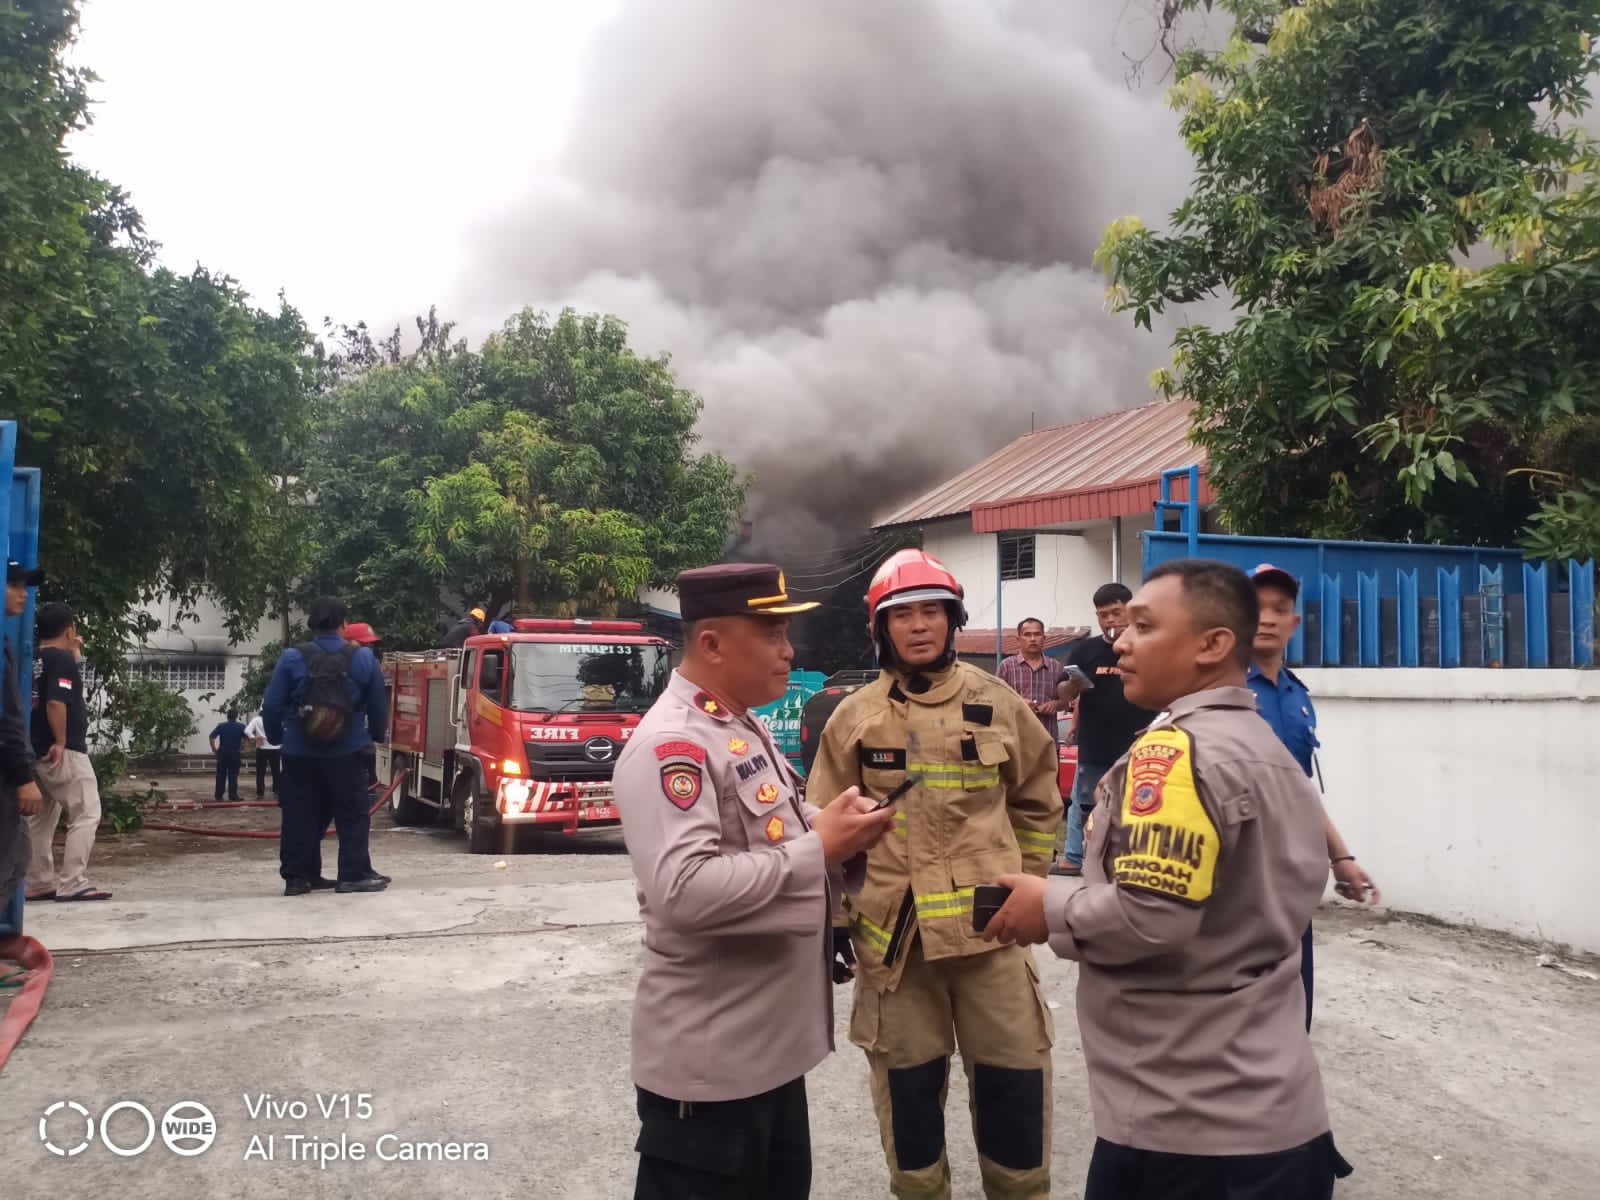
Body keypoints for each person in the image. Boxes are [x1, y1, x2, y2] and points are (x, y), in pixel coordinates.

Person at [982, 559, 1354, 1200]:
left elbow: (1150, 917)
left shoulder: (1177, 753)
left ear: (1213, 645)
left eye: (1144, 627)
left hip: (1188, 1134)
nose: (1120, 640)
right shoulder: (1257, 740)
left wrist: (1048, 904)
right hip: (1269, 1113)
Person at [614, 562, 894, 1200]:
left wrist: (836, 826)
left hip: (767, 1060)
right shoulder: (673, 746)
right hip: (713, 1076)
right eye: (770, 633)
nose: (788, 650)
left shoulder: (739, 724)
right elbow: (683, 891)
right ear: (711, 643)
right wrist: (818, 849)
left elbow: (772, 830)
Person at [806, 548, 1063, 1200]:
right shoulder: (853, 718)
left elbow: (1039, 803)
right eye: (902, 615)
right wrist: (833, 924)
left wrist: (1028, 887)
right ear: (881, 629)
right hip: (896, 949)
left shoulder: (999, 704)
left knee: (1015, 1108)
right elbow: (824, 829)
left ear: (953, 621)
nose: (918, 626)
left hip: (992, 938)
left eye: (931, 612)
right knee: (912, 1123)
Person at [1248, 563, 1382, 1030]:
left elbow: (1300, 786)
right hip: (1238, 876)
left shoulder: (1296, 695)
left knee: (1293, 999)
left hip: (1292, 871)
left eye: (1279, 609)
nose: (1267, 618)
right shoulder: (1216, 691)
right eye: (1256, 608)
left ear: (1294, 623)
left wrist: (1340, 856)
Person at [262, 596, 390, 896]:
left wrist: (278, 737)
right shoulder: (362, 659)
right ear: (344, 624)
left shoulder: (292, 657)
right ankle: (353, 875)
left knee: (299, 814)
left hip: (299, 752)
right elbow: (377, 704)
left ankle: (299, 877)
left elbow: (271, 705)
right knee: (352, 813)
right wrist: (375, 735)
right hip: (347, 751)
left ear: (312, 624)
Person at [1054, 582, 1157, 876]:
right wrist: (1073, 684)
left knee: (1139, 807)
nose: (1111, 620)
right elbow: (1064, 696)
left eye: (1116, 612)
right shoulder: (1085, 651)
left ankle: (1133, 861)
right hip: (1094, 745)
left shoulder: (1147, 646)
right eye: (1103, 615)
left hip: (1139, 746)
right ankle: (1074, 858)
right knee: (1083, 805)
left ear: (1130, 609)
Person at [24, 601, 111, 901]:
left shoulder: (35, 658)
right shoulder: (61, 660)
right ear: (70, 629)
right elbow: (55, 702)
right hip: (64, 751)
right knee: (86, 812)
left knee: (42, 816)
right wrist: (61, 741)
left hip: (34, 749)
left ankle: (36, 880)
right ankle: (73, 881)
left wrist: (73, 656)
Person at [2, 563, 44, 915]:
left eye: (24, 585)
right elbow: (5, 721)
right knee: (7, 862)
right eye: (13, 585)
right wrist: (23, 777)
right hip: (7, 772)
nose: (23, 593)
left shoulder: (4, 641)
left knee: (17, 861)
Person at [998, 617, 1068, 736]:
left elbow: (1066, 702)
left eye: (1037, 634)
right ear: (1018, 639)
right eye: (1027, 635)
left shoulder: (1057, 667)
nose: (1032, 639)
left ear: (1044, 638)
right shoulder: (1007, 666)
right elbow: (996, 698)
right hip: (1016, 742)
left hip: (1047, 740)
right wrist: (1019, 703)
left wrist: (1056, 704)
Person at [345, 622, 384, 790]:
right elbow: (378, 707)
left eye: (370, 645)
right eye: (363, 644)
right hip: (352, 747)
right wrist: (375, 736)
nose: (368, 649)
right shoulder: (366, 665)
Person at [209, 708, 248, 802]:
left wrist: (214, 749)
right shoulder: (241, 726)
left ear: (227, 716)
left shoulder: (221, 726)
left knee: (221, 775)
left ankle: (218, 796)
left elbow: (212, 737)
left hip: (222, 753)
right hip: (235, 753)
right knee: (233, 775)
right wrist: (244, 749)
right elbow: (247, 737)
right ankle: (233, 796)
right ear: (236, 716)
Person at [243, 709, 281, 800]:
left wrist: (255, 738)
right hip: (275, 748)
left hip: (261, 748)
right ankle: (277, 790)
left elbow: (247, 731)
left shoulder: (256, 719)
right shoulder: (276, 719)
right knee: (276, 772)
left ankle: (260, 793)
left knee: (260, 772)